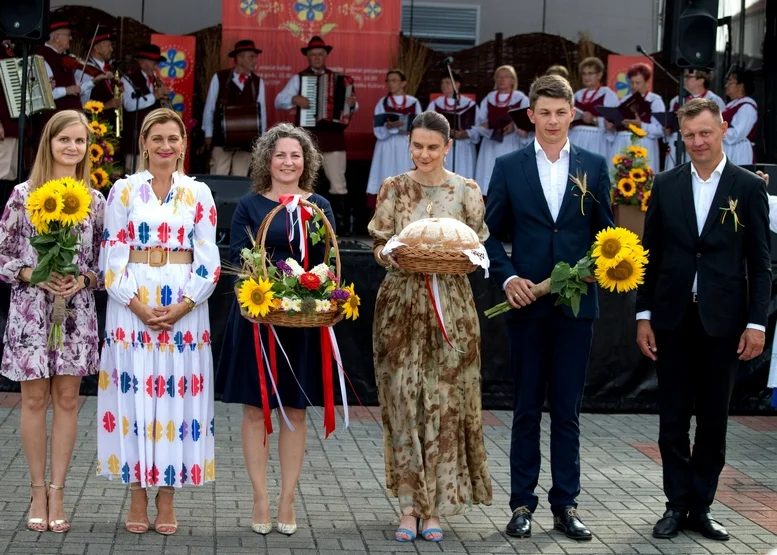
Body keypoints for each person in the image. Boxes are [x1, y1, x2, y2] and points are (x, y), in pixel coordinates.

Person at [484, 75, 615, 541]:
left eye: (561, 113)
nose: (553, 121)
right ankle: (521, 504)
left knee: (567, 410)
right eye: (545, 113)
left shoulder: (596, 166)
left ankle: (566, 504)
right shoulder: (509, 166)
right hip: (526, 307)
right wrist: (508, 276)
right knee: (525, 408)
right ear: (531, 116)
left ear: (573, 114)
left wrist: (594, 268)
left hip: (576, 310)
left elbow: (608, 238)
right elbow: (488, 234)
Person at [636, 98, 770, 541]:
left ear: (723, 129)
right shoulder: (666, 183)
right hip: (673, 319)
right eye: (690, 135)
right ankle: (675, 505)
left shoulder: (748, 186)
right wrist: (643, 315)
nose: (697, 142)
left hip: (724, 324)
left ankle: (701, 506)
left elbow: (761, 263)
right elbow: (648, 256)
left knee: (713, 421)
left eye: (705, 133)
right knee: (672, 419)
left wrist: (757, 323)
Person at [368, 111, 492, 543]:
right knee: (403, 401)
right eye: (417, 146)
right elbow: (379, 243)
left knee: (444, 404)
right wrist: (393, 255)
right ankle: (408, 505)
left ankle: (435, 508)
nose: (424, 154)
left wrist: (457, 257)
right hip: (400, 305)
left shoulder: (467, 191)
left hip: (452, 309)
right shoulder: (394, 187)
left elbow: (478, 248)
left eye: (432, 147)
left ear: (447, 147)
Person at [97, 108, 219, 535]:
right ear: (144, 143)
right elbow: (111, 254)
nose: (166, 146)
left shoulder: (199, 193)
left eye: (174, 138)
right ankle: (136, 496)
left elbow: (209, 258)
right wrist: (136, 304)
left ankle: (167, 498)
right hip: (132, 308)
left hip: (184, 311)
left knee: (174, 401)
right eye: (157, 138)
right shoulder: (123, 191)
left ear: (184, 144)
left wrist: (186, 304)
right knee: (133, 400)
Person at [215, 123, 335, 536]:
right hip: (259, 319)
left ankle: (287, 498)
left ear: (307, 162)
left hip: (302, 320)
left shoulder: (319, 205)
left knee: (295, 412)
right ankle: (260, 497)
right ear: (267, 159)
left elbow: (329, 263)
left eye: (295, 155)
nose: (288, 162)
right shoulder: (250, 205)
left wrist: (319, 293)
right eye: (280, 155)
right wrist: (253, 295)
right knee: (256, 410)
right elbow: (236, 258)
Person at [0, 110, 105, 533]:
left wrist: (83, 278)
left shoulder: (95, 201)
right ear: (50, 143)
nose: (73, 148)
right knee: (32, 401)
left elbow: (104, 262)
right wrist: (32, 274)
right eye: (65, 140)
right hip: (30, 312)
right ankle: (35, 489)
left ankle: (59, 489)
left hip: (75, 313)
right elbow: (3, 254)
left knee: (65, 400)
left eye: (80, 141)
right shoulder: (23, 195)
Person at [274, 36, 357, 234]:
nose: (317, 58)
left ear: (326, 56)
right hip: (307, 139)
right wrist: (294, 98)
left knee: (338, 183)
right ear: (308, 57)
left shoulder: (340, 80)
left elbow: (351, 104)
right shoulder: (299, 78)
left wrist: (351, 103)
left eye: (320, 54)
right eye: (313, 55)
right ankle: (301, 224)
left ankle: (339, 229)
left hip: (333, 138)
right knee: (304, 181)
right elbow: (279, 101)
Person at [203, 39, 267, 177]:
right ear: (239, 58)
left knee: (241, 177)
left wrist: (261, 139)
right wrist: (208, 133)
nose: (255, 60)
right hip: (221, 138)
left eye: (255, 57)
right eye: (251, 57)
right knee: (219, 174)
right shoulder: (219, 78)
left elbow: (261, 113)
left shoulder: (257, 82)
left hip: (246, 140)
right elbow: (210, 107)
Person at [365, 70, 422, 205]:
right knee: (387, 173)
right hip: (387, 145)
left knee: (406, 173)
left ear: (403, 83)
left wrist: (408, 129)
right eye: (388, 80)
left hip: (405, 144)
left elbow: (420, 126)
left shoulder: (413, 102)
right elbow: (377, 129)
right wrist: (389, 127)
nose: (391, 83)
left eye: (394, 80)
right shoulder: (382, 103)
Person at [473, 65, 529, 197]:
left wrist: (514, 126)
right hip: (491, 143)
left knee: (510, 175)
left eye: (505, 76)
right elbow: (481, 118)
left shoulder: (520, 98)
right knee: (490, 172)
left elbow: (525, 121)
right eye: (498, 77)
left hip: (511, 144)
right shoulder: (489, 98)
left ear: (513, 80)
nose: (501, 79)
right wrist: (484, 124)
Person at [605, 63, 665, 173]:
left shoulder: (655, 100)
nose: (634, 86)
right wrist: (611, 127)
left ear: (647, 83)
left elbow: (660, 130)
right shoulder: (624, 100)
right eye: (631, 83)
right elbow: (617, 125)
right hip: (621, 144)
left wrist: (640, 124)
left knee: (642, 181)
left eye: (638, 83)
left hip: (643, 145)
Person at [121, 45, 170, 172]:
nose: (156, 66)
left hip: (154, 139)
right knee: (135, 176)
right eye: (154, 62)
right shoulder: (128, 78)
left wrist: (163, 101)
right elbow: (129, 105)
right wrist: (155, 95)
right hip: (136, 137)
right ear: (142, 62)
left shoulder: (155, 80)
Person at [663, 70, 725, 170]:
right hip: (677, 142)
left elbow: (718, 125)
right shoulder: (676, 99)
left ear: (700, 80)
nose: (684, 80)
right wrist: (667, 128)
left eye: (688, 77)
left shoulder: (714, 100)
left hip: (700, 144)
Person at [427, 71, 480, 179]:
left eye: (447, 82)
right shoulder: (436, 104)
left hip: (464, 146)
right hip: (443, 146)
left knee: (463, 177)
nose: (444, 85)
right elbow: (427, 124)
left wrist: (466, 134)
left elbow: (479, 126)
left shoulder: (470, 104)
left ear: (457, 84)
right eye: (442, 83)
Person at [568, 57, 619, 159]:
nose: (586, 77)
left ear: (599, 75)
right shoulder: (578, 94)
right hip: (576, 138)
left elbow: (614, 122)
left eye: (590, 73)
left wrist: (594, 119)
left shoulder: (607, 94)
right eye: (584, 74)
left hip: (596, 140)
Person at [36, 20, 82, 127]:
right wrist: (67, 90)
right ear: (57, 37)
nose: (70, 38)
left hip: (67, 122)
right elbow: (44, 92)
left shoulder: (62, 58)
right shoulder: (42, 56)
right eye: (68, 35)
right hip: (55, 123)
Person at [74, 32, 120, 119]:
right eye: (108, 45)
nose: (112, 49)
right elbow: (81, 102)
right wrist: (105, 105)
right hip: (93, 124)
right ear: (97, 48)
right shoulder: (85, 70)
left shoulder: (107, 68)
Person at [722, 67, 758, 165]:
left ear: (740, 86)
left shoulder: (747, 107)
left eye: (730, 82)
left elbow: (737, 133)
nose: (726, 86)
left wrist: (716, 130)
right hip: (727, 150)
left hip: (739, 153)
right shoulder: (731, 106)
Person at [0, 36, 19, 203]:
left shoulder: (10, 54)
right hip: (3, 125)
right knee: (2, 172)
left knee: (10, 174)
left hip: (12, 125)